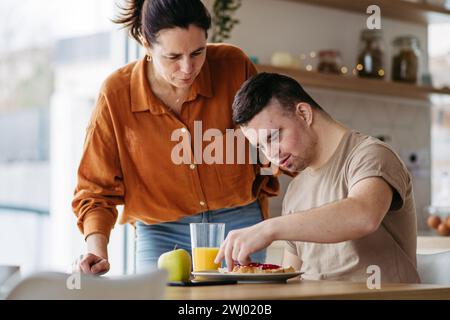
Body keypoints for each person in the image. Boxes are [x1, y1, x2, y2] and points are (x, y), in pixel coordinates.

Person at [72, 0, 278, 275]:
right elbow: (95, 189)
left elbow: (272, 139)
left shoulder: (233, 66)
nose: (187, 68)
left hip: (239, 224)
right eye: (172, 57)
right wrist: (96, 251)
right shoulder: (116, 93)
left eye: (197, 52)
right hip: (161, 233)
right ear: (145, 43)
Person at [215, 72, 420, 283]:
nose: (270, 155)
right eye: (261, 147)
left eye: (273, 137)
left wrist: (268, 229)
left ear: (304, 113)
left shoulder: (370, 154)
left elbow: (364, 215)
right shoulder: (295, 190)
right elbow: (291, 277)